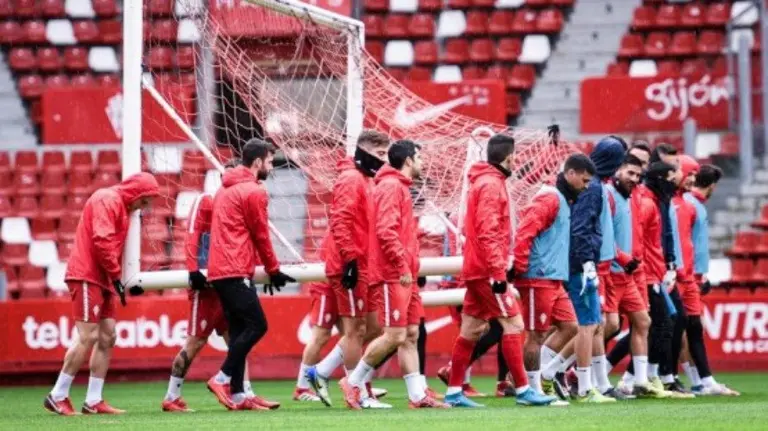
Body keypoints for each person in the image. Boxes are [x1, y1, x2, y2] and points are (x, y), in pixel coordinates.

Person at [443, 134, 556, 408]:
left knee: (470, 330)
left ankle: (453, 392)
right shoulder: (492, 185)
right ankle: (523, 390)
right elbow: (487, 231)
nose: (517, 160)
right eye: (516, 155)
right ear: (509, 157)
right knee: (514, 325)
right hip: (486, 270)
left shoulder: (486, 182)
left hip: (477, 268)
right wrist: (497, 272)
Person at [341, 140, 446, 409]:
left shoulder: (398, 186)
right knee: (395, 335)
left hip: (403, 273)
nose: (422, 163)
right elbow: (386, 231)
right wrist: (402, 266)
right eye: (419, 157)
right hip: (391, 274)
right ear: (409, 160)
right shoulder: (390, 186)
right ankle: (352, 383)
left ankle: (417, 396)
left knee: (411, 333)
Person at [44, 172, 160, 416]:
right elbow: (102, 241)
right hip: (87, 275)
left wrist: (115, 278)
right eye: (146, 199)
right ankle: (57, 395)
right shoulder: (107, 199)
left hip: (103, 277)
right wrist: (117, 276)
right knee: (88, 336)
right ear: (138, 193)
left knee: (108, 336)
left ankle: (93, 400)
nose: (146, 206)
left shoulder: (120, 205)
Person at [162, 159, 267, 411]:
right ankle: (171, 396)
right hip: (207, 288)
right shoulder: (207, 201)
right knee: (196, 341)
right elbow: (192, 233)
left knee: (239, 339)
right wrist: (193, 269)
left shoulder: (237, 203)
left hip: (228, 281)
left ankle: (244, 394)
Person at [205, 138, 296, 411]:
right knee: (257, 326)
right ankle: (221, 378)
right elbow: (259, 234)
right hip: (234, 268)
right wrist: (273, 269)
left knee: (240, 330)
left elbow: (240, 232)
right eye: (269, 161)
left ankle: (238, 395)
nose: (271, 166)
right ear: (257, 162)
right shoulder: (253, 191)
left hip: (221, 268)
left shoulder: (224, 189)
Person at [305, 130, 391, 408]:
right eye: (379, 155)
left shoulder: (366, 180)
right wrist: (350, 260)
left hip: (364, 263)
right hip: (349, 265)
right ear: (364, 152)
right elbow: (340, 220)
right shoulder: (351, 179)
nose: (383, 161)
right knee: (355, 330)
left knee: (376, 326)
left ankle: (321, 372)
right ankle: (357, 392)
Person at [512, 154, 594, 398]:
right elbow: (525, 231)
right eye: (584, 180)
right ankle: (532, 390)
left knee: (571, 327)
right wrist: (519, 265)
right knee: (536, 335)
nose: (586, 186)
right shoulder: (550, 198)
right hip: (538, 276)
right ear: (570, 174)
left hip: (554, 278)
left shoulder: (562, 200)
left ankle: (545, 375)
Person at [567, 136, 628, 403]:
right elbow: (583, 228)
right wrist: (589, 261)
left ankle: (598, 383)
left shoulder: (596, 185)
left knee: (596, 325)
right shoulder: (593, 187)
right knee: (589, 325)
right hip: (589, 264)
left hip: (594, 262)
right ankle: (571, 380)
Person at [603, 154, 666, 398]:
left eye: (638, 176)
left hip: (628, 274)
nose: (634, 179)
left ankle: (640, 381)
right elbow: (605, 236)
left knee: (643, 322)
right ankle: (575, 375)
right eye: (630, 173)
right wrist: (621, 258)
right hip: (610, 271)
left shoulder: (629, 198)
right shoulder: (607, 195)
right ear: (617, 170)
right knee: (605, 326)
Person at [681, 164, 739, 396]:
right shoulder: (691, 205)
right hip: (687, 276)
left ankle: (699, 381)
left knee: (685, 329)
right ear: (713, 186)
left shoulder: (692, 204)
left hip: (693, 275)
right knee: (686, 329)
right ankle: (700, 381)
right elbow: (686, 242)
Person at [663, 155, 699, 397]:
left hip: (682, 274)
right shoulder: (670, 203)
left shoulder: (689, 205)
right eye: (689, 173)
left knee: (677, 324)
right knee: (658, 324)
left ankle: (676, 377)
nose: (692, 178)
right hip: (668, 273)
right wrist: (671, 267)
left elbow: (689, 242)